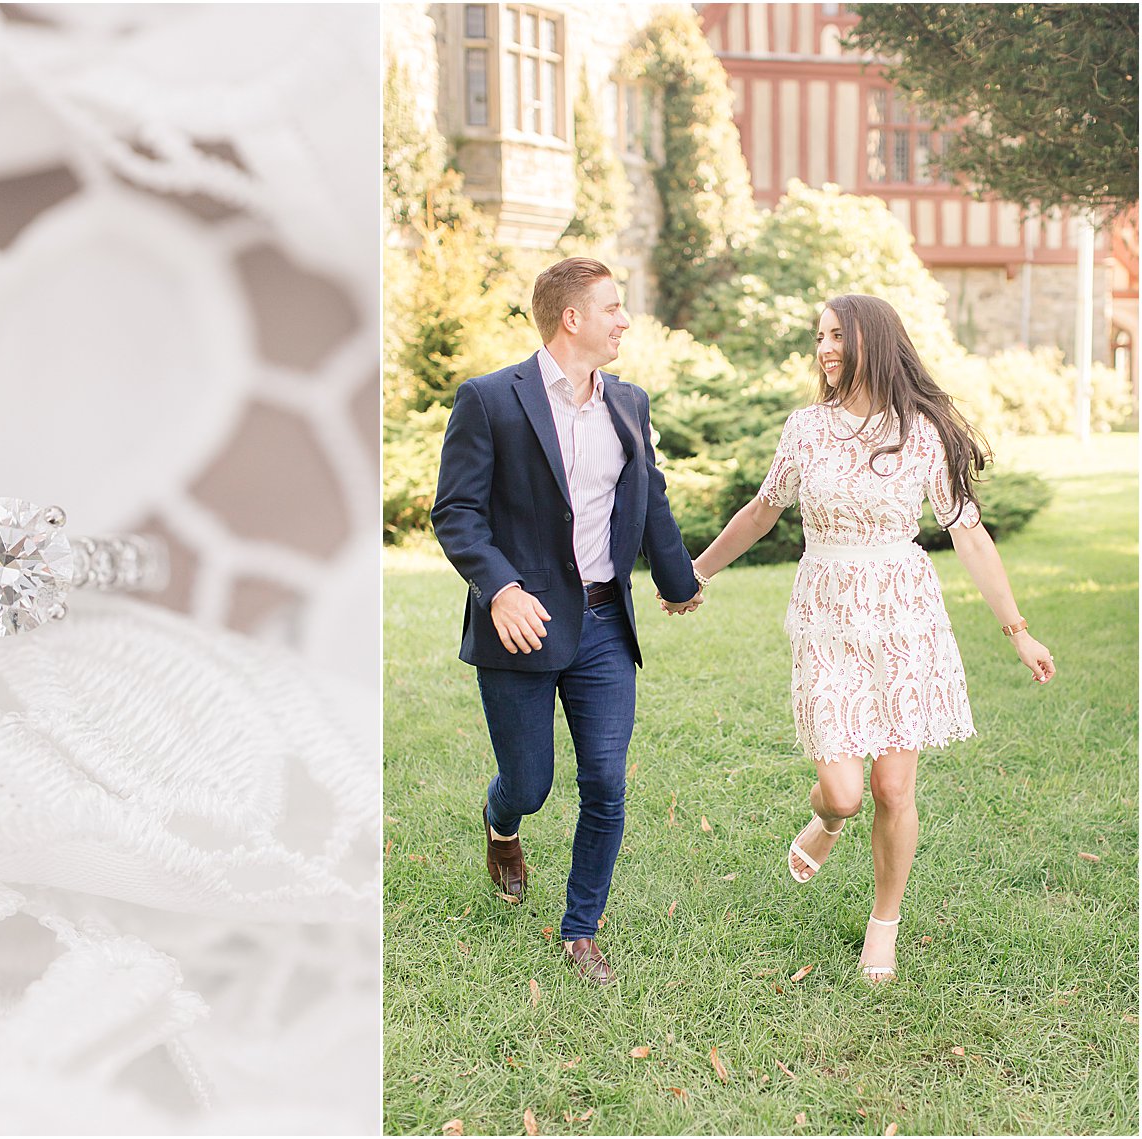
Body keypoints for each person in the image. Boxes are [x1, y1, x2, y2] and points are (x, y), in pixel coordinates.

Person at [680, 293, 1055, 982]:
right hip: (828, 614)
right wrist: (694, 569)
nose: (824, 349)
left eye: (836, 336)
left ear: (871, 342)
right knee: (845, 789)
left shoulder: (922, 430)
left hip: (905, 616)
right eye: (818, 336)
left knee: (893, 785)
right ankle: (825, 821)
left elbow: (966, 531)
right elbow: (764, 510)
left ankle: (883, 923)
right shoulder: (805, 429)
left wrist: (1018, 631)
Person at [432, 257, 702, 986]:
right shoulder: (490, 399)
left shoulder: (630, 404)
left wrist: (679, 582)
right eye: (613, 307)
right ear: (571, 318)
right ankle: (501, 823)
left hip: (605, 622)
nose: (624, 320)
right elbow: (455, 511)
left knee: (607, 781)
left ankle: (580, 929)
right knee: (530, 782)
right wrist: (499, 588)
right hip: (521, 622)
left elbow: (651, 499)